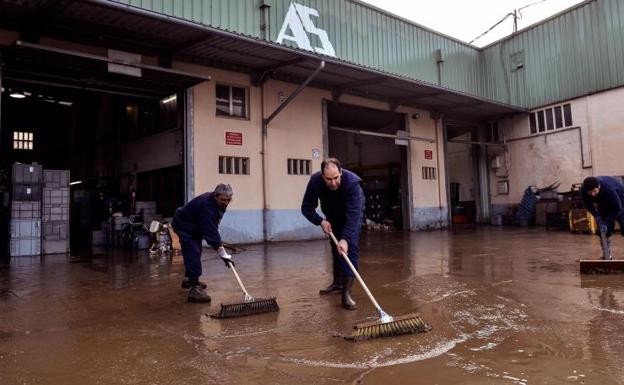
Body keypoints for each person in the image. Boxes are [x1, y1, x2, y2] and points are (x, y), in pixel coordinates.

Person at [301, 158, 364, 310]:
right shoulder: (315, 181)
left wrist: (345, 239)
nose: (333, 182)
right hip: (332, 215)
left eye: (336, 178)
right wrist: (320, 221)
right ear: (322, 176)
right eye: (329, 179)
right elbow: (306, 207)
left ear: (341, 172)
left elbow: (354, 215)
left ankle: (346, 293)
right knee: (336, 248)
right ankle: (337, 284)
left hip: (351, 214)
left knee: (349, 249)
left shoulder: (352, 184)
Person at [172, 183, 235, 303]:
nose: (226, 202)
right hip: (183, 224)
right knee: (193, 251)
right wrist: (223, 255)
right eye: (223, 200)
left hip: (195, 225)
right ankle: (194, 289)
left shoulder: (219, 203)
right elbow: (211, 234)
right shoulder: (206, 206)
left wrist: (216, 233)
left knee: (197, 250)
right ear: (215, 196)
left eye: (228, 200)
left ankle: (190, 279)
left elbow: (214, 224)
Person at [581, 176, 624, 260]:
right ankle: (607, 256)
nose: (593, 194)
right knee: (603, 231)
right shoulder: (584, 190)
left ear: (599, 186)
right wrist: (596, 215)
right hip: (602, 202)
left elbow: (617, 209)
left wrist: (606, 222)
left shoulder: (608, 189)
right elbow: (588, 204)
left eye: (594, 191)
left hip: (620, 197)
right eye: (590, 193)